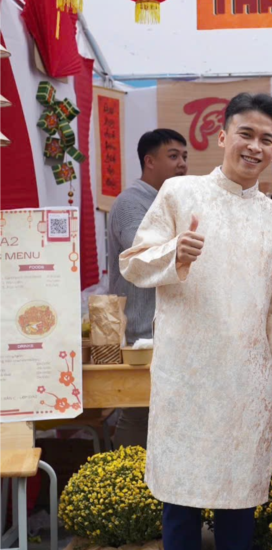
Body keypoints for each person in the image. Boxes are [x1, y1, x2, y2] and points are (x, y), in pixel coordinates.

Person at [120, 93, 272, 550]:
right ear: (222, 136)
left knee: (239, 496)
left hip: (246, 375)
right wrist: (176, 252)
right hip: (187, 374)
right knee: (180, 496)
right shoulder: (180, 194)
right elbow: (133, 263)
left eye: (267, 140)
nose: (255, 147)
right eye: (246, 134)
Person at [107, 128, 188, 448]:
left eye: (184, 156)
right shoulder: (130, 203)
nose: (182, 164)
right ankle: (127, 475)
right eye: (173, 156)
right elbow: (143, 255)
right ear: (149, 161)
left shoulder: (171, 202)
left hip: (169, 328)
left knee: (168, 414)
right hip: (140, 331)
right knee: (138, 410)